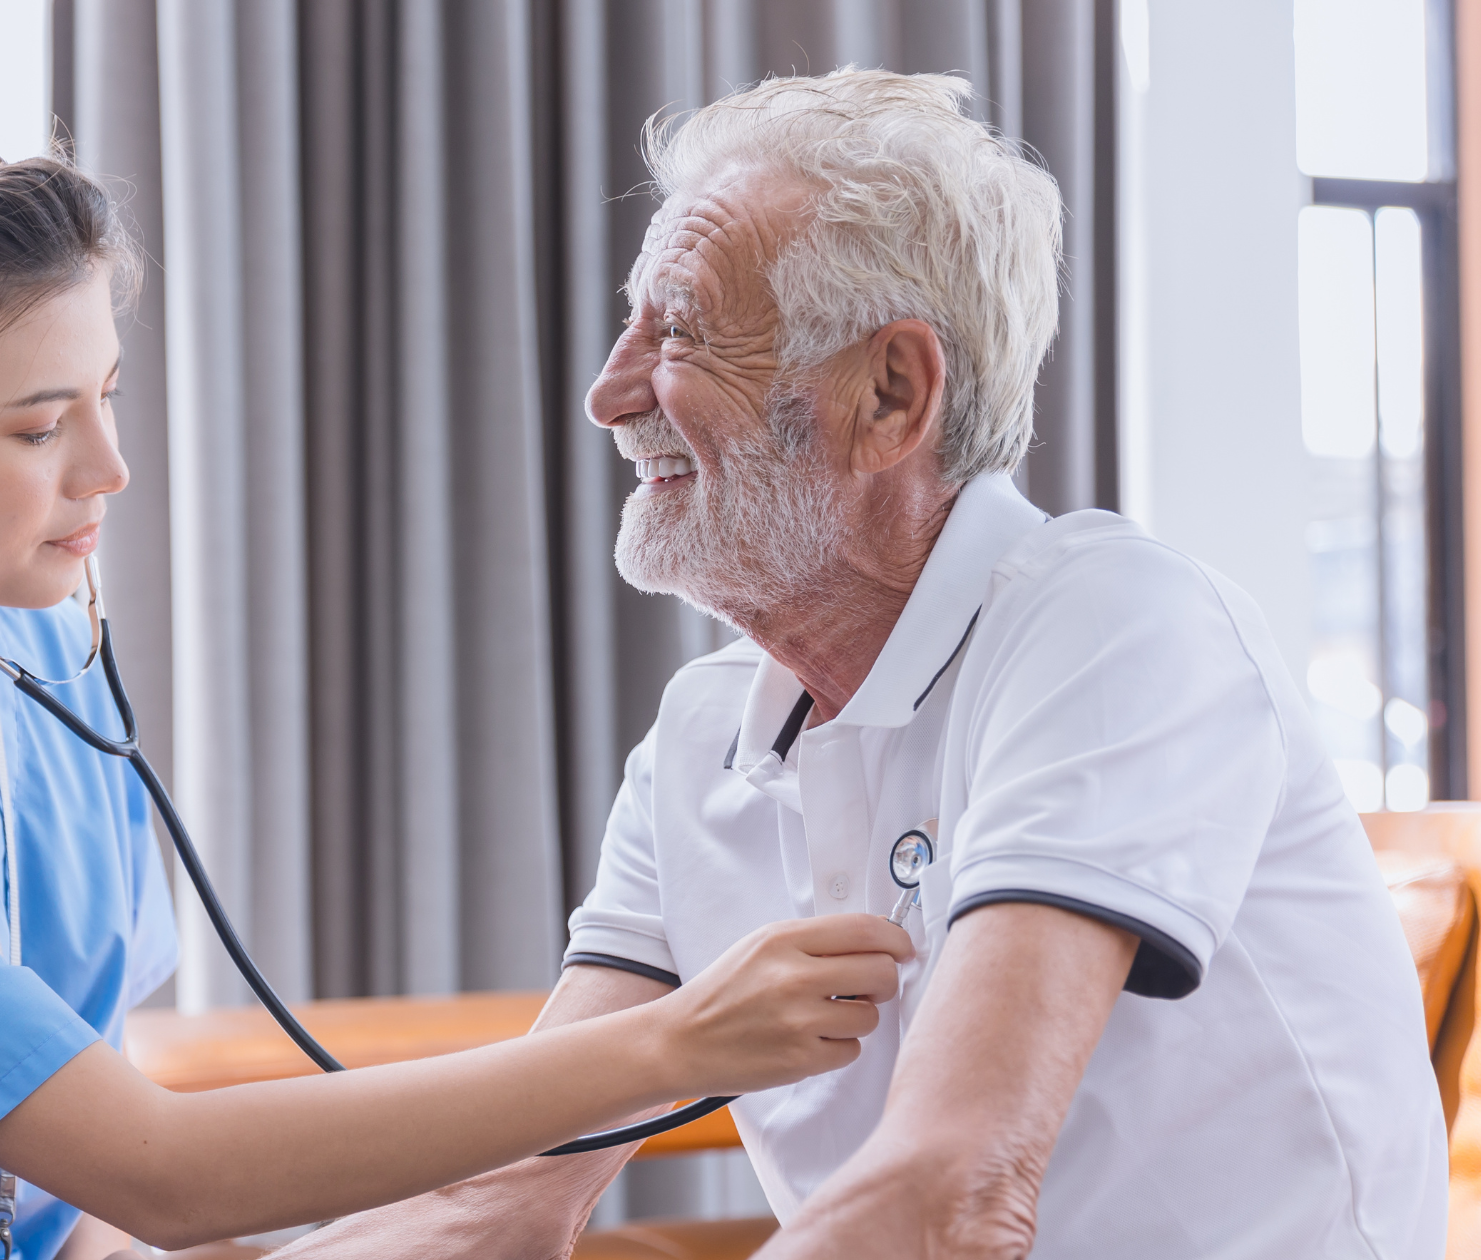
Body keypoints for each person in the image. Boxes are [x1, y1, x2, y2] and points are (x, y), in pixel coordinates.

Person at [0, 119, 915, 1260]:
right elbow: (159, 1169)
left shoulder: (43, 688)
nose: (108, 471)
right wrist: (667, 1048)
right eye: (38, 424)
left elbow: (59, 1194)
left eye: (108, 395)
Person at [277, 69, 1448, 1260]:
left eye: (678, 329)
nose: (608, 392)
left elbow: (948, 1197)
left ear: (889, 393)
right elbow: (505, 1199)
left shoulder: (1117, 625)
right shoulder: (700, 735)